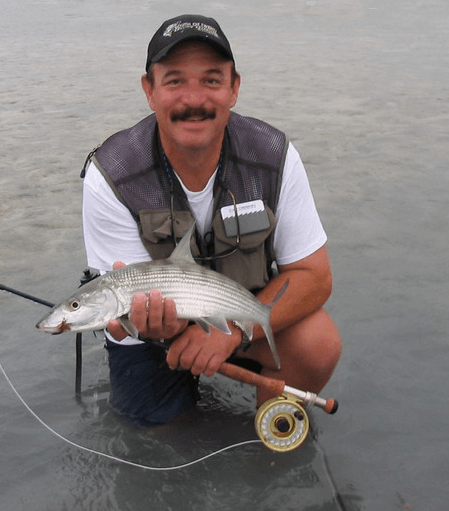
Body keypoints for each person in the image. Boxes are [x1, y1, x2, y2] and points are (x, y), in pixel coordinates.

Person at [81, 14, 341, 424]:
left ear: (234, 88)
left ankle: (270, 433)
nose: (193, 99)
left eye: (212, 80)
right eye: (174, 81)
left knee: (317, 342)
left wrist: (233, 330)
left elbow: (315, 275)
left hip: (240, 319)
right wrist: (141, 327)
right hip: (152, 341)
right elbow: (118, 323)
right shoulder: (111, 174)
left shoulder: (274, 156)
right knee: (154, 442)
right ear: (149, 90)